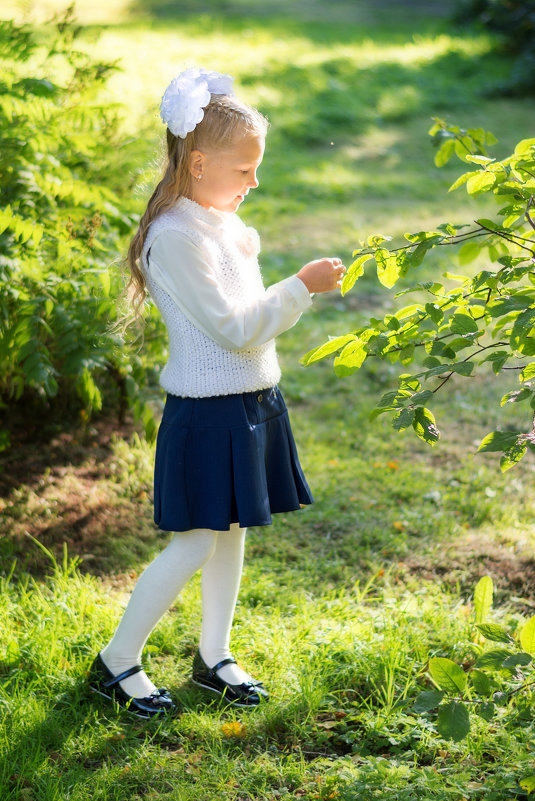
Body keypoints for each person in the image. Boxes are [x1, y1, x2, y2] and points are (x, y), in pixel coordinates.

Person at [89, 67, 346, 718]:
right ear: (198, 163)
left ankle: (213, 656)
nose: (254, 182)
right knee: (196, 540)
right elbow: (233, 329)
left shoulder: (223, 224)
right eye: (243, 169)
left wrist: (285, 289)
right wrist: (300, 287)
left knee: (231, 535)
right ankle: (116, 661)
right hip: (206, 412)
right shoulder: (174, 237)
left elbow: (245, 323)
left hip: (251, 402)